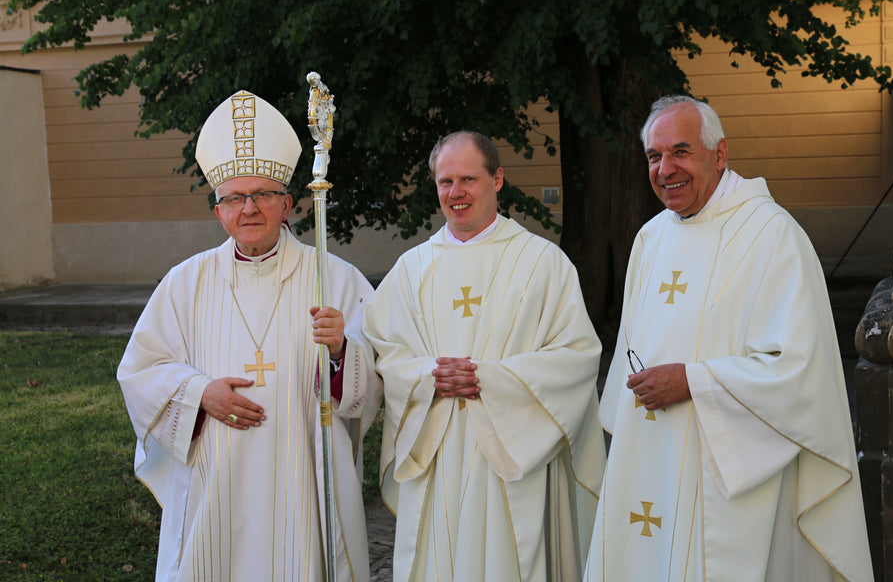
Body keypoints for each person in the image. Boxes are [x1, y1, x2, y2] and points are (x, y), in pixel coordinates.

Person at [583, 95, 873, 581]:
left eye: (681, 151)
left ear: (719, 155)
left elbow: (798, 369)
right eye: (654, 156)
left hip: (733, 463)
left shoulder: (771, 234)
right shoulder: (650, 238)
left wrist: (694, 382)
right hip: (652, 450)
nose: (665, 169)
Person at [117, 90, 380, 582]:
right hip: (217, 480)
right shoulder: (185, 282)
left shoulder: (334, 278)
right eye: (235, 198)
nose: (249, 208)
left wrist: (343, 351)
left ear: (288, 203)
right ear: (218, 211)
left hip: (305, 476)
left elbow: (373, 385)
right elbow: (140, 371)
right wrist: (199, 395)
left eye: (262, 195)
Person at [363, 131, 607, 581]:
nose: (456, 193)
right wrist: (427, 376)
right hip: (435, 456)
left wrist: (489, 379)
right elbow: (385, 352)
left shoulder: (543, 263)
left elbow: (576, 356)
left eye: (468, 179)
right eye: (445, 181)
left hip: (515, 454)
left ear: (498, 178)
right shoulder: (410, 269)